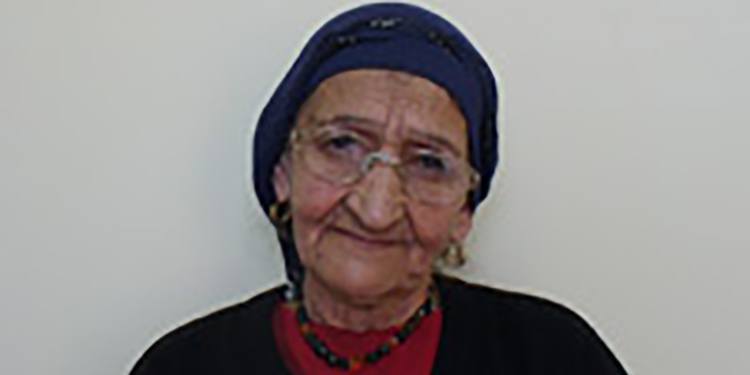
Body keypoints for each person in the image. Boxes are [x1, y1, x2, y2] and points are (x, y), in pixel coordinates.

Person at [131, 3, 627, 374]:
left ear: (464, 211)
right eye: (341, 144)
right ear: (283, 172)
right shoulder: (182, 367)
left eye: (429, 163)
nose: (376, 207)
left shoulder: (556, 358)